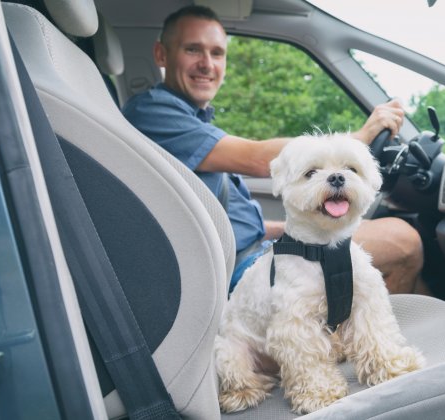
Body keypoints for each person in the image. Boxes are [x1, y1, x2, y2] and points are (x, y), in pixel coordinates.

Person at [122, 5, 427, 295]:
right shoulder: (153, 112)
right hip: (239, 269)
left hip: (249, 250)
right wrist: (357, 140)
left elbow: (232, 221)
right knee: (403, 242)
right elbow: (255, 157)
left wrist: (288, 228)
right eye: (192, 49)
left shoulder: (192, 120)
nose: (207, 64)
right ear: (162, 54)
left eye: (217, 53)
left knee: (379, 238)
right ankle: (371, 346)